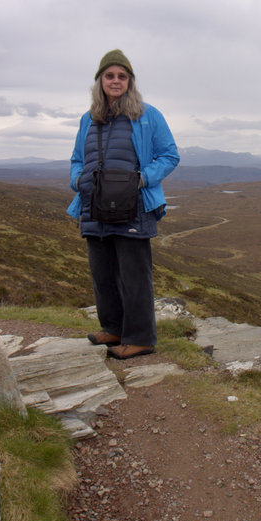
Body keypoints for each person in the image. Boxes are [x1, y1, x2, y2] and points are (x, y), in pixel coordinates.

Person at [67, 49, 179, 359]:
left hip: (133, 205)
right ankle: (114, 328)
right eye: (109, 75)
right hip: (93, 206)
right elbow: (77, 158)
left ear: (129, 81)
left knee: (133, 274)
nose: (115, 81)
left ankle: (140, 337)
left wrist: (141, 179)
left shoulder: (147, 115)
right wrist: (78, 181)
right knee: (102, 272)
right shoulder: (88, 119)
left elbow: (169, 155)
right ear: (100, 81)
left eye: (122, 76)